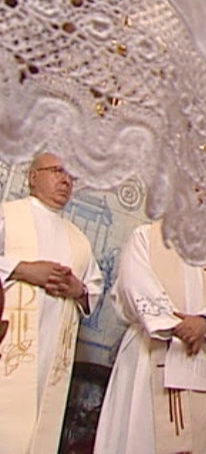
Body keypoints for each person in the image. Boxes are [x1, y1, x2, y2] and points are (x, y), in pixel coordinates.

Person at [94, 221, 206, 454]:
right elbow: (136, 283)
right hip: (150, 350)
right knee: (142, 436)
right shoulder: (145, 236)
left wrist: (204, 321)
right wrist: (177, 325)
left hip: (196, 358)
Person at [0, 152, 103, 453]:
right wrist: (24, 269)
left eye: (71, 176)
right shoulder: (8, 214)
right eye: (58, 171)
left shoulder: (79, 239)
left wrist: (77, 288)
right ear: (33, 176)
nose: (66, 180)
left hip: (53, 356)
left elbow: (93, 290)